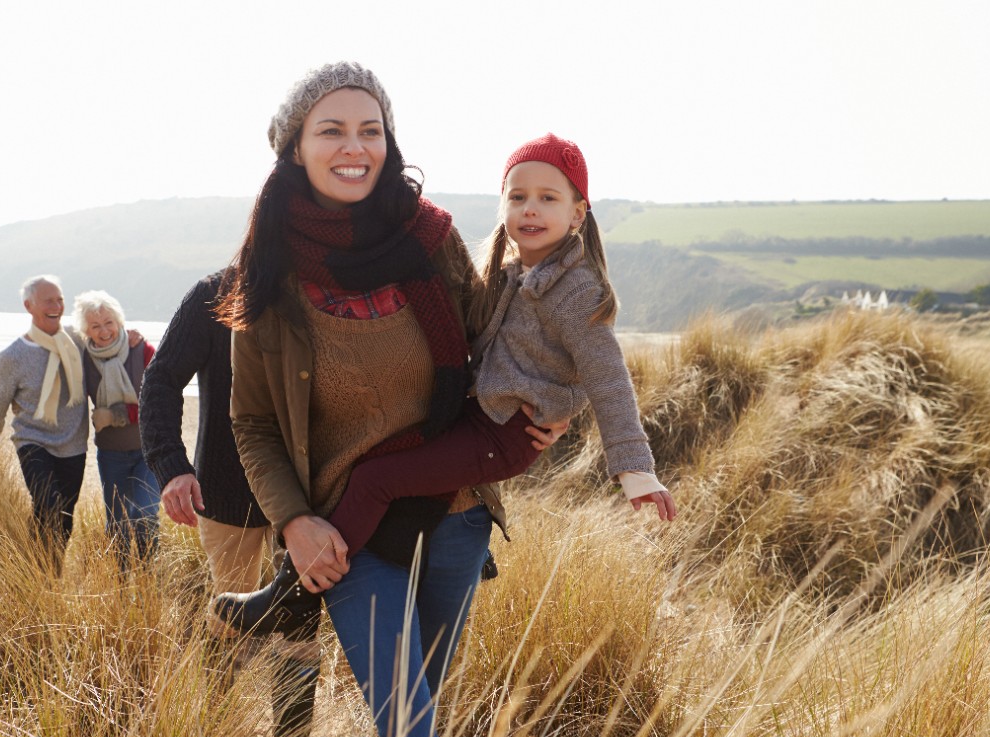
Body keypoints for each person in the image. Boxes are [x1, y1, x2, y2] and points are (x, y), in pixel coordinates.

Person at [215, 62, 568, 737]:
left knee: (414, 716)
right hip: (347, 532)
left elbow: (495, 345)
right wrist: (293, 521)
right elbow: (252, 423)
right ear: (296, 147)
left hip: (455, 514)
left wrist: (556, 398)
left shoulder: (433, 243)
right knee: (411, 723)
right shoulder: (269, 274)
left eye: (370, 130)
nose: (355, 146)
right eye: (332, 129)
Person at [215, 133, 677, 637]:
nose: (530, 209)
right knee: (379, 462)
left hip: (503, 434)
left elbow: (607, 376)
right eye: (517, 197)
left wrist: (634, 470)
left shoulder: (576, 288)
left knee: (375, 480)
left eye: (549, 198)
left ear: (578, 213)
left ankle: (294, 595)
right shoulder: (512, 273)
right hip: (485, 420)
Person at [137, 269, 341, 737]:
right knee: (233, 619)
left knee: (301, 623)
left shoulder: (329, 288)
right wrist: (171, 465)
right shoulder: (215, 292)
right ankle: (216, 727)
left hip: (307, 498)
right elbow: (159, 380)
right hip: (223, 493)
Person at [0, 274, 88, 571]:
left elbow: (109, 343)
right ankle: (35, 569)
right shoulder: (13, 356)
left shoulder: (78, 341)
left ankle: (49, 575)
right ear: (29, 306)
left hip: (74, 444)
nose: (56, 306)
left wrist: (131, 337)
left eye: (60, 299)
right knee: (49, 504)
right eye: (48, 301)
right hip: (33, 443)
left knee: (63, 516)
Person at [73, 290, 161, 569]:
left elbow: (158, 402)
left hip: (149, 451)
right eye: (95, 325)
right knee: (118, 521)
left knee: (145, 514)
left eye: (109, 322)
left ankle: (149, 581)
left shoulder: (142, 350)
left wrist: (116, 415)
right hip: (111, 454)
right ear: (86, 330)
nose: (104, 331)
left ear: (120, 321)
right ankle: (121, 583)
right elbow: (54, 335)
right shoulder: (83, 357)